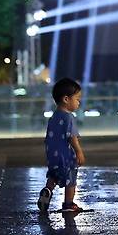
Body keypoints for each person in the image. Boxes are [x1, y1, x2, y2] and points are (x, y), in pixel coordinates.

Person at [37, 78, 86, 213]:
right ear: (66, 99)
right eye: (77, 98)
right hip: (66, 156)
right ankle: (68, 204)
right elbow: (72, 137)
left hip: (53, 155)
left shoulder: (54, 116)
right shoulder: (68, 117)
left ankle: (48, 190)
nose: (78, 102)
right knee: (71, 179)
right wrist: (79, 152)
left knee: (54, 175)